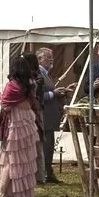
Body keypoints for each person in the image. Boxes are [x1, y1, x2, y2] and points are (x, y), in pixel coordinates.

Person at [0, 52, 40, 197]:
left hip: (15, 124)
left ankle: (2, 195)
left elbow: (5, 105)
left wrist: (1, 98)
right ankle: (18, 195)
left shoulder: (12, 85)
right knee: (23, 162)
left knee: (9, 161)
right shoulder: (30, 85)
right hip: (27, 123)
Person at [32, 46, 63, 184]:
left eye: (52, 57)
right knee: (46, 146)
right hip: (44, 115)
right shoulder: (38, 74)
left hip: (50, 115)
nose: (51, 60)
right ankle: (45, 173)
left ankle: (48, 171)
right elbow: (37, 95)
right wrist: (53, 94)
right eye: (48, 57)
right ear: (39, 59)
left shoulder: (46, 74)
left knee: (49, 146)